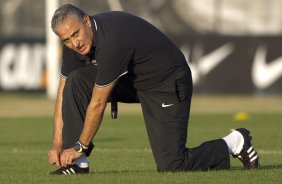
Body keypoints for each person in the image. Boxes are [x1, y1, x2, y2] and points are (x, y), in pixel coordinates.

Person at [48, 4, 259, 175]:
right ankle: (77, 165)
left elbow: (98, 103)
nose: (74, 43)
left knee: (172, 165)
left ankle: (234, 142)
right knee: (76, 81)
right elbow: (63, 91)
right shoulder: (75, 44)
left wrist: (79, 146)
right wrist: (58, 143)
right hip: (135, 81)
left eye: (75, 34)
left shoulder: (111, 40)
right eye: (66, 39)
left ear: (86, 21)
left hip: (167, 82)